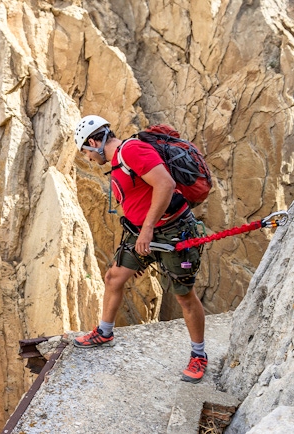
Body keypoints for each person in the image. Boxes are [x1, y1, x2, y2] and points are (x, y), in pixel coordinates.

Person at [72, 115, 208, 383]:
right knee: (113, 278)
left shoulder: (132, 150)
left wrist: (147, 229)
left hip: (172, 233)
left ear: (93, 142)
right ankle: (105, 332)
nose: (88, 159)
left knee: (184, 296)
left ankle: (198, 355)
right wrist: (142, 233)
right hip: (140, 234)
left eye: (86, 152)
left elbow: (165, 184)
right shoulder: (120, 159)